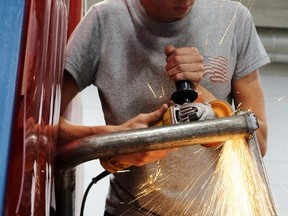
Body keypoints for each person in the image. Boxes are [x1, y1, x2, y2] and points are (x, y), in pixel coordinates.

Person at [59, 0, 269, 215]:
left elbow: (257, 143)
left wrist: (199, 92)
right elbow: (40, 130)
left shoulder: (233, 18)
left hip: (220, 208)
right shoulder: (104, 21)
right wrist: (114, 139)